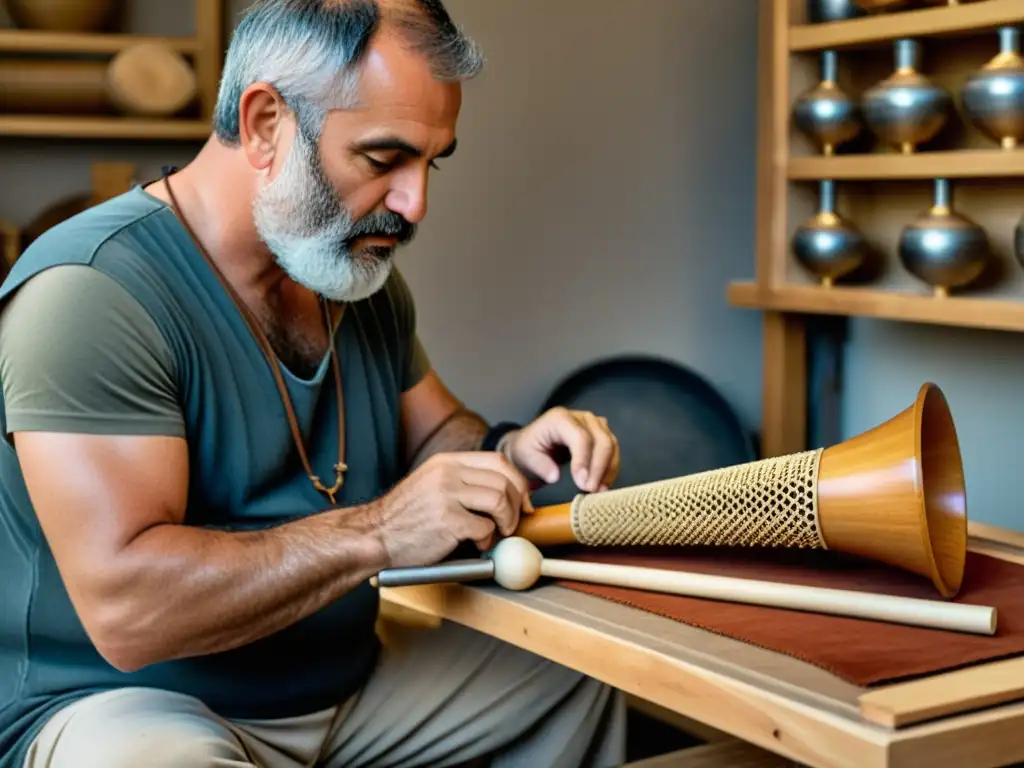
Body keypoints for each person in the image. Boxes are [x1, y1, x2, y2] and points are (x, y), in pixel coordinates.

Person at [0, 1, 628, 766]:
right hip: (129, 704)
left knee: (582, 676)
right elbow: (130, 611)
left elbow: (434, 436)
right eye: (382, 158)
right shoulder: (92, 291)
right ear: (266, 123)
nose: (414, 203)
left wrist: (511, 452)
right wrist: (382, 531)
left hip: (345, 690)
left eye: (431, 163)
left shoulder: (354, 276)